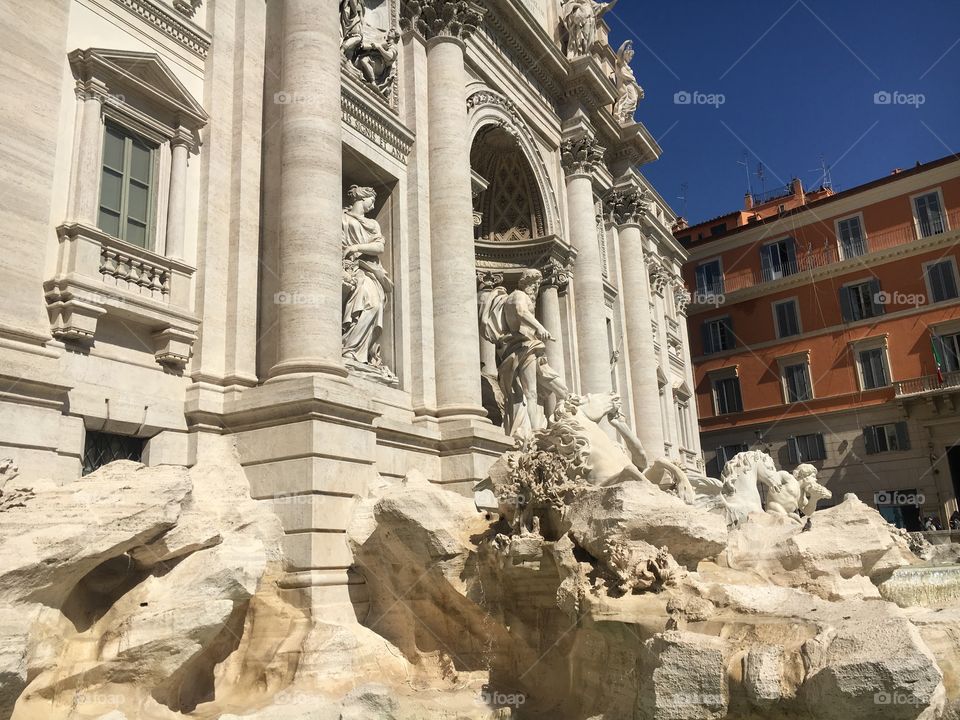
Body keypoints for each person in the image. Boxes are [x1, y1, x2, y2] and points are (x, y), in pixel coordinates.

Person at [479, 269, 568, 438]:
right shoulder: (519, 296)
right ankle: (536, 432)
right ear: (528, 283)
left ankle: (554, 423)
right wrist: (540, 327)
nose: (535, 290)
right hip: (524, 347)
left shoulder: (517, 296)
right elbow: (521, 311)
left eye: (537, 287)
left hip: (527, 347)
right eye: (534, 285)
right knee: (530, 391)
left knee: (558, 390)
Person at [341, 186, 395, 381]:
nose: (373, 205)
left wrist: (356, 247)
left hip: (368, 270)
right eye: (371, 200)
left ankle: (355, 351)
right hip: (348, 268)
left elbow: (379, 246)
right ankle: (348, 348)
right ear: (361, 198)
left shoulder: (372, 224)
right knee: (362, 303)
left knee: (373, 303)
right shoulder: (342, 218)